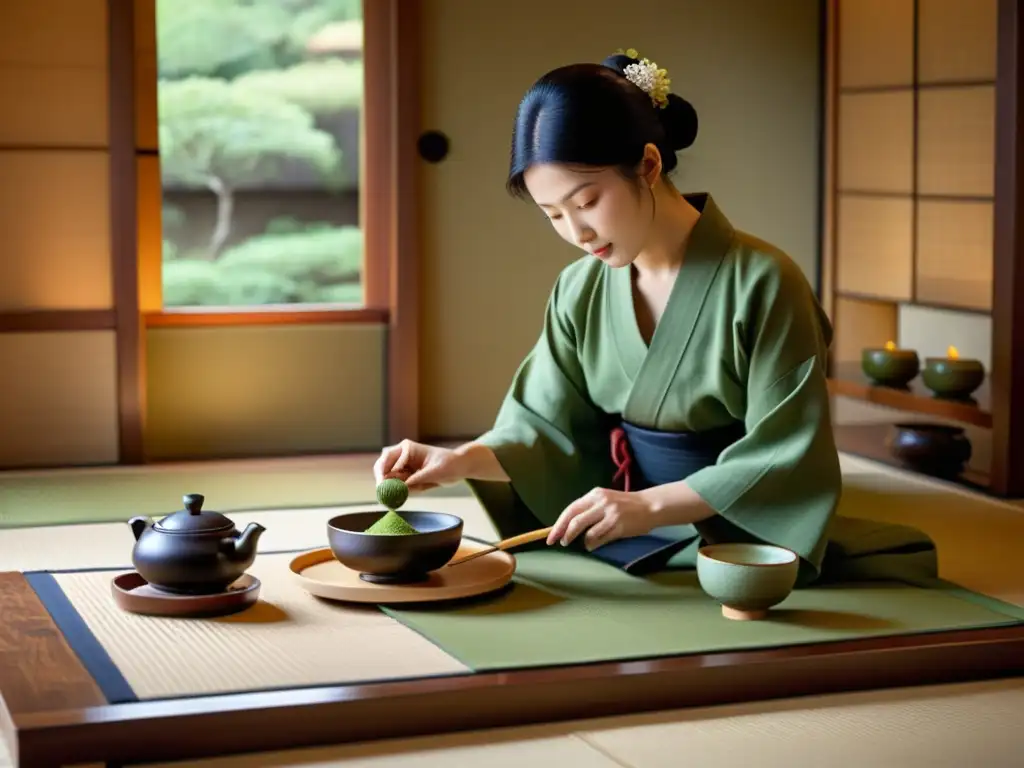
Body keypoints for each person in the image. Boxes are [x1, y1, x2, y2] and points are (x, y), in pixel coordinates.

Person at [374, 49, 937, 586]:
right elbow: (545, 429)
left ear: (646, 164)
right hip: (621, 524)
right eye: (553, 214)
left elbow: (785, 453)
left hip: (735, 528)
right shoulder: (579, 289)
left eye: (587, 201)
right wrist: (458, 459)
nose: (577, 233)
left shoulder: (765, 282)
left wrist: (651, 506)